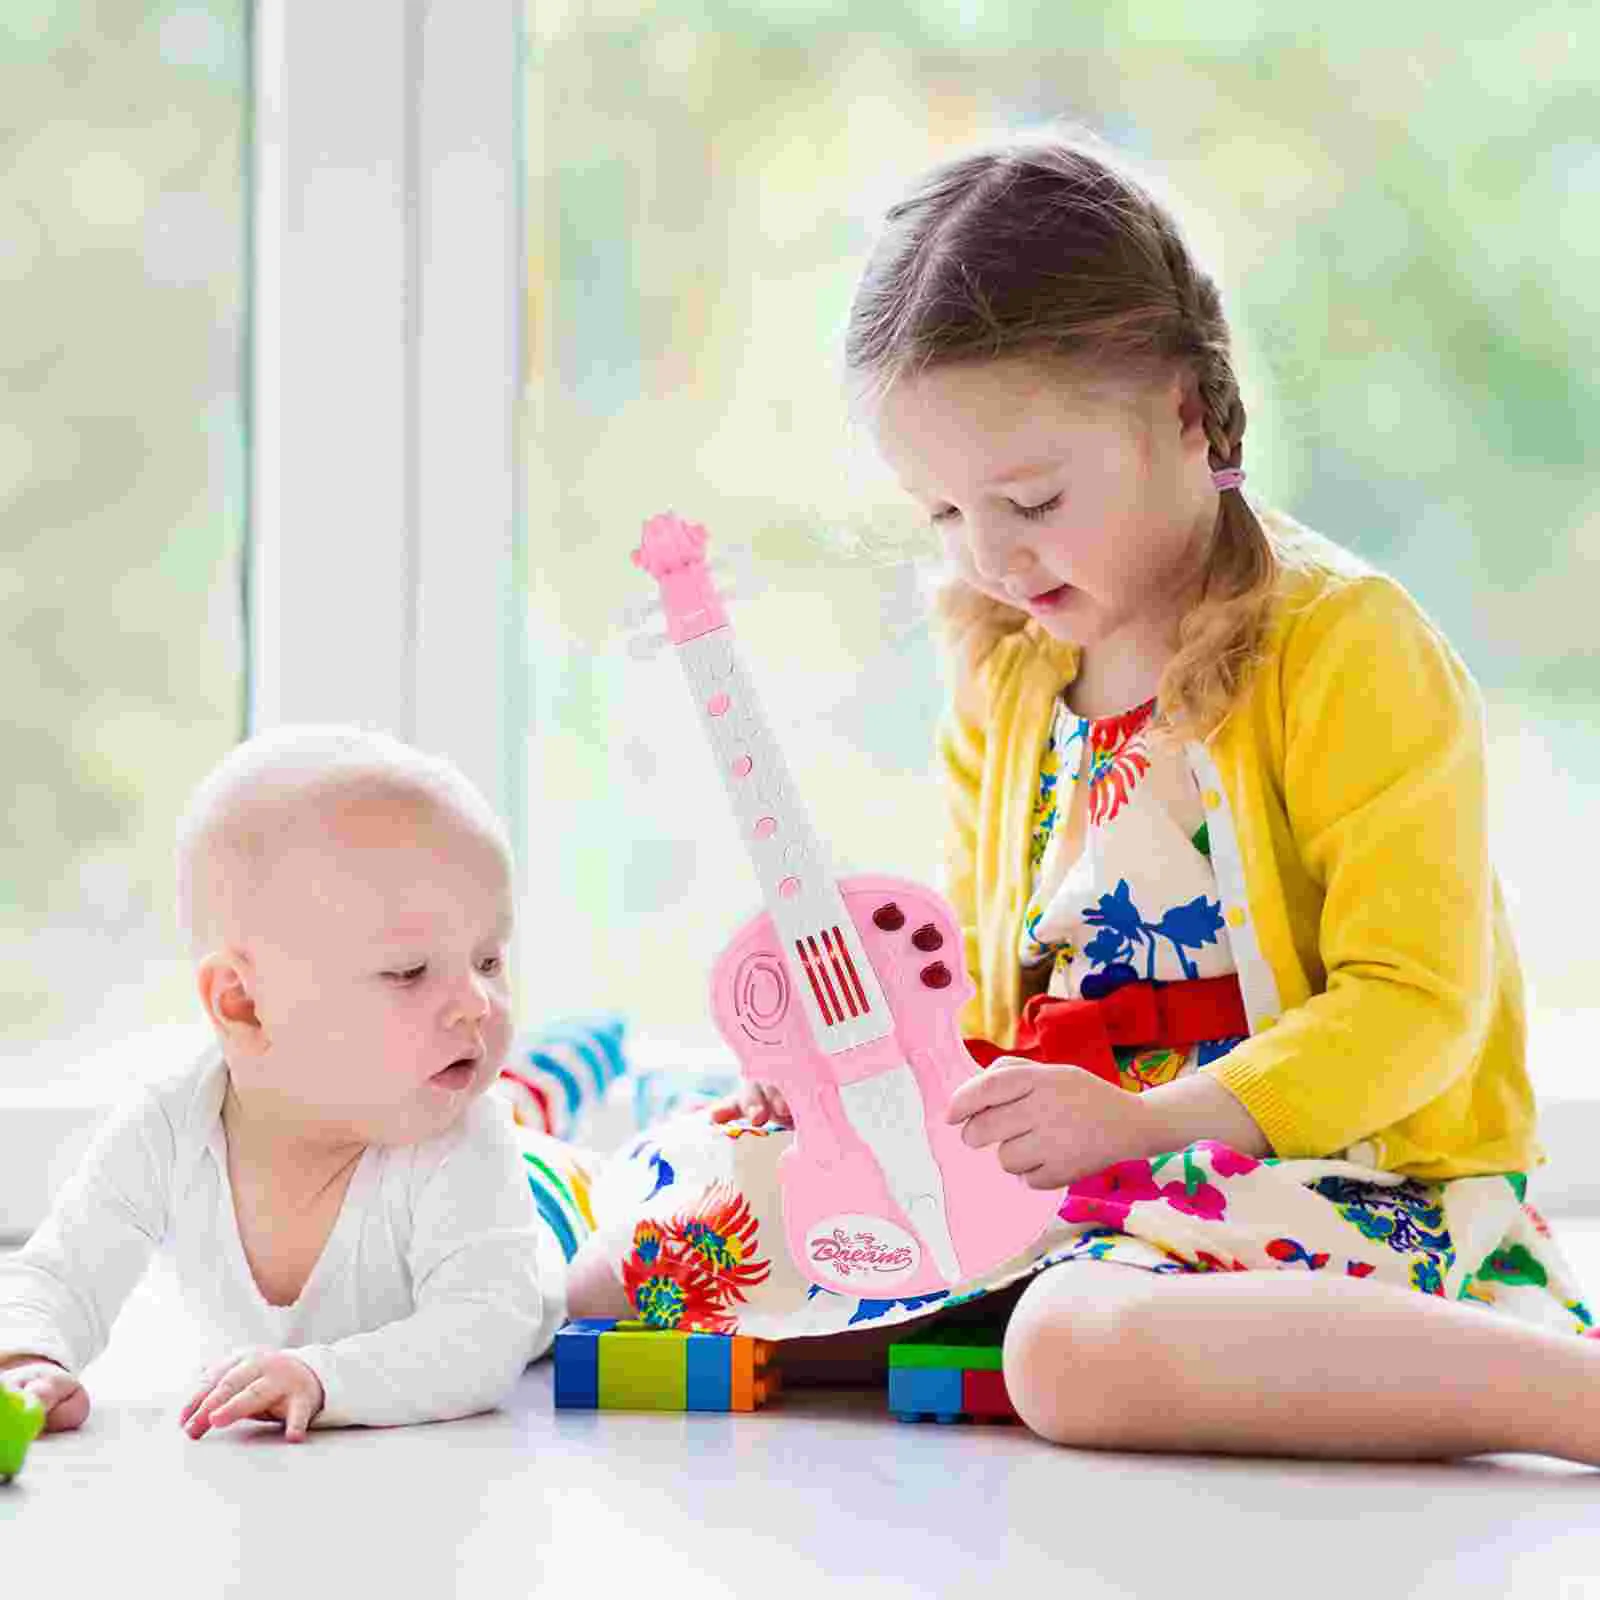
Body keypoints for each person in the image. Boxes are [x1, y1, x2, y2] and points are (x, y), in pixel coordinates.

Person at [568, 131, 1600, 1464]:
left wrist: (1156, 1122)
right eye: (940, 514)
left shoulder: (1347, 646)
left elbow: (1417, 1010)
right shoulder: (1009, 668)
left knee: (1066, 1353)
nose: (990, 556)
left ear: (1186, 411)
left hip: (1340, 1179)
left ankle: (1567, 1394)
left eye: (1030, 498)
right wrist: (863, 1090)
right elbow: (991, 998)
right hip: (1091, 1189)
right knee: (640, 1258)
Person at [0, 725, 589, 1442]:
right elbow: (61, 1271)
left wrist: (323, 1377)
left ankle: (610, 1087)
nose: (477, 1002)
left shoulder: (460, 1136)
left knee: (623, 1261)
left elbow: (481, 1335)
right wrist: (29, 1356)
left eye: (489, 960)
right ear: (244, 1004)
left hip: (552, 1215)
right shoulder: (168, 1126)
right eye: (409, 971)